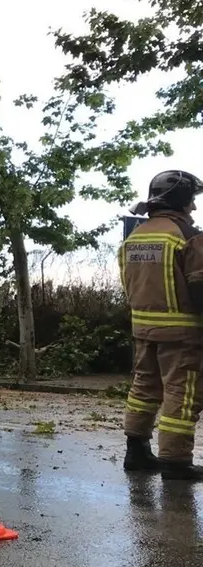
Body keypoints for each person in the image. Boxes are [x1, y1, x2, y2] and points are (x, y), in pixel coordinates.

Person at [120, 169, 203, 481]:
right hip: (183, 334)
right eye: (192, 200)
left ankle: (136, 450)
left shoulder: (135, 237)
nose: (194, 208)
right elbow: (199, 287)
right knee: (182, 394)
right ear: (180, 201)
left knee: (144, 389)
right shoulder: (188, 236)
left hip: (143, 329)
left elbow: (128, 283)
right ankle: (176, 461)